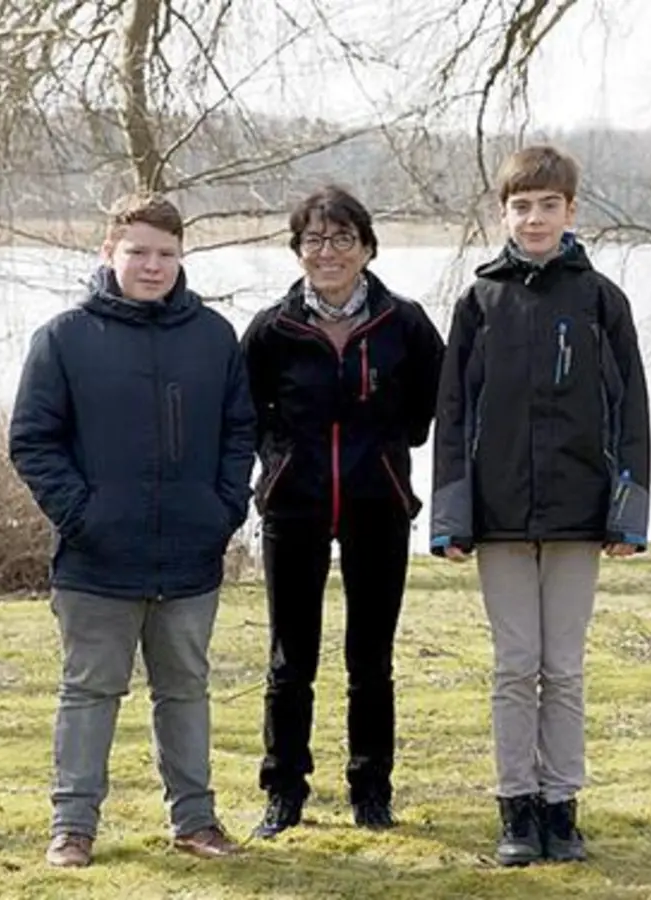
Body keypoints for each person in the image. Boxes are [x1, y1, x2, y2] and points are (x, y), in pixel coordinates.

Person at [8, 194, 255, 867]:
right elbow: (33, 441)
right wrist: (82, 516)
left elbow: (241, 433)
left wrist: (224, 508)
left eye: (166, 254)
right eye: (138, 252)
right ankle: (73, 828)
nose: (153, 265)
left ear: (182, 259)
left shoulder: (213, 337)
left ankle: (196, 821)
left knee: (185, 690)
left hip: (190, 555)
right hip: (96, 560)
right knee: (90, 692)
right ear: (108, 254)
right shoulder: (64, 339)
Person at [429, 145, 651, 866]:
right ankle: (516, 812)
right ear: (505, 214)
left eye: (547, 205)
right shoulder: (480, 300)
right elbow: (454, 414)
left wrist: (629, 513)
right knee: (514, 662)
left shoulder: (600, 301)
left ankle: (561, 808)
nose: (534, 218)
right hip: (496, 518)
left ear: (571, 211)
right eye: (521, 206)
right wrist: (452, 517)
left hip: (579, 514)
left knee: (564, 667)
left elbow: (633, 413)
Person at [239, 185, 445, 837]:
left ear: (368, 248)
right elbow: (247, 413)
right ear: (298, 251)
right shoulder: (272, 330)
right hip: (293, 508)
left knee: (370, 657)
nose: (327, 252)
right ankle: (284, 791)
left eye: (342, 239)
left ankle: (371, 789)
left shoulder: (405, 323)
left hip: (376, 504)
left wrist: (383, 454)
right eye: (314, 240)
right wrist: (279, 465)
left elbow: (426, 411)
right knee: (288, 659)